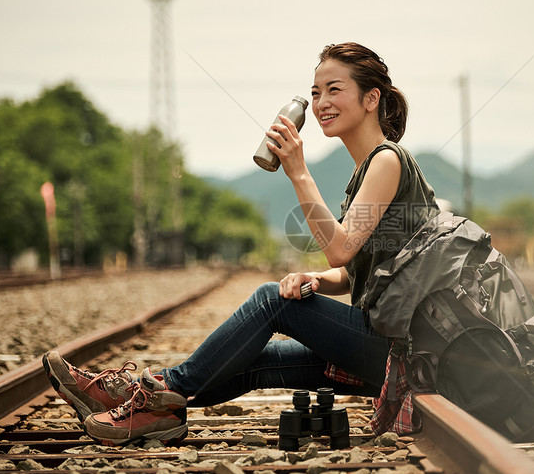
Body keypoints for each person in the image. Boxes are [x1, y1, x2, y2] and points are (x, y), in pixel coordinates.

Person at [43, 42, 440, 446]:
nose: (321, 103)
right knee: (253, 360)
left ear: (371, 98)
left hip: (402, 351)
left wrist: (298, 172)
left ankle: (139, 394)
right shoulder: (366, 171)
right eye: (316, 92)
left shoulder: (387, 161)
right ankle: (152, 409)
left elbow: (340, 248)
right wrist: (317, 279)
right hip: (387, 344)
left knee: (272, 301)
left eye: (334, 90)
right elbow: (356, 268)